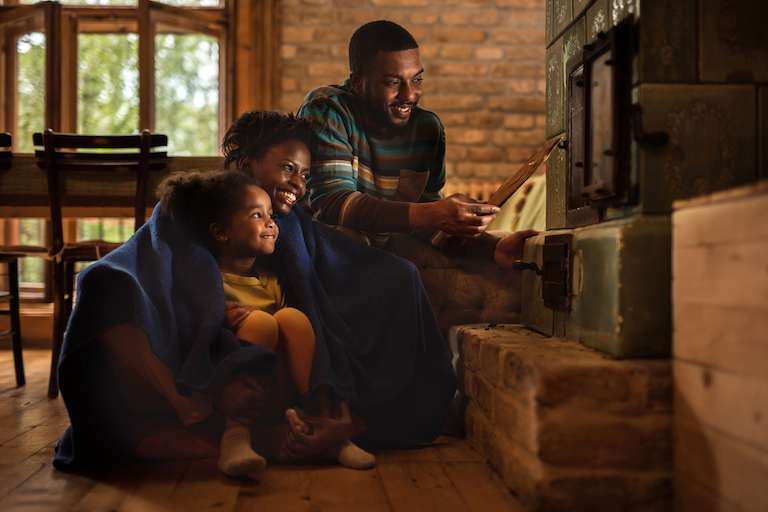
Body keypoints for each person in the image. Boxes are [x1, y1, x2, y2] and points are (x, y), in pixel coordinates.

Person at [53, 111, 455, 471]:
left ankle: (319, 420)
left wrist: (398, 273)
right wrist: (212, 311)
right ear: (247, 165)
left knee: (393, 278)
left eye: (304, 175)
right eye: (287, 168)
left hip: (277, 340)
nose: (298, 183)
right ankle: (208, 419)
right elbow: (148, 260)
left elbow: (340, 264)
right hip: (200, 340)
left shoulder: (291, 223)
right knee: (103, 286)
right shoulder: (194, 207)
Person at [156, 171, 375, 477]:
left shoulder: (270, 281)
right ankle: (236, 434)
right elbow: (196, 329)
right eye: (257, 215)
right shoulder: (209, 280)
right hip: (232, 387)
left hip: (280, 384)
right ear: (221, 233)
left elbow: (296, 339)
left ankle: (317, 420)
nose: (272, 223)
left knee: (293, 318)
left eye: (270, 215)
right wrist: (228, 317)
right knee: (261, 324)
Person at [297, 20, 535, 266]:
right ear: (358, 83)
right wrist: (433, 213)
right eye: (393, 82)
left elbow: (426, 227)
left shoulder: (427, 130)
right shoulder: (327, 109)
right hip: (325, 257)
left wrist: (495, 247)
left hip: (388, 258)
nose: (409, 95)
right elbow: (333, 204)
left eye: (417, 80)